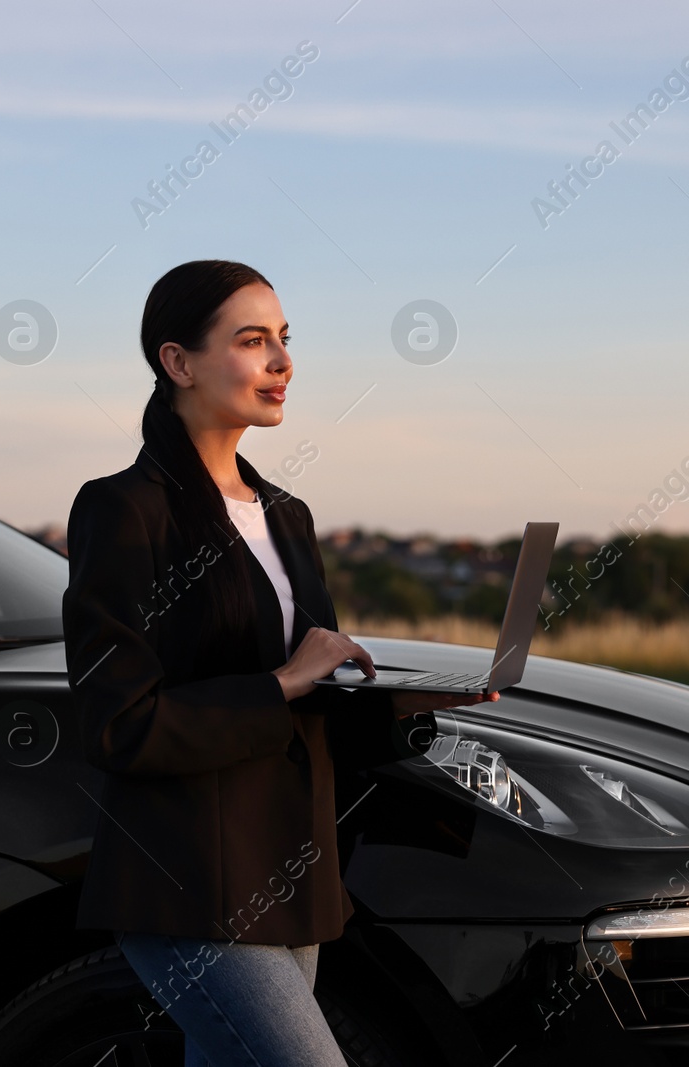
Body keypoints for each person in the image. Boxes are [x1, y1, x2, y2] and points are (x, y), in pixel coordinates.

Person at [61, 259, 457, 1066]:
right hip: (188, 883)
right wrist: (280, 682)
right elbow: (122, 726)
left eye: (283, 339)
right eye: (252, 340)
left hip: (289, 873)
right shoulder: (123, 510)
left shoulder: (287, 513)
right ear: (178, 362)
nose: (282, 362)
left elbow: (309, 699)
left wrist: (408, 702)